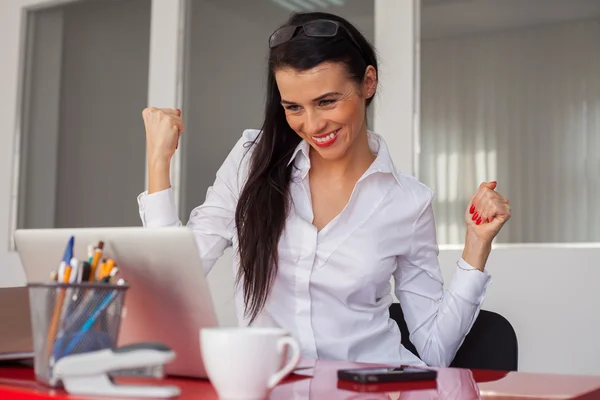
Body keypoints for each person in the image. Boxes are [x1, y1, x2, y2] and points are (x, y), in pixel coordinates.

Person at [137, 12, 511, 367]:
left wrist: (477, 246)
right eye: (294, 107)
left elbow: (433, 351)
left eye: (327, 101)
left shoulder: (408, 202)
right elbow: (168, 282)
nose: (313, 124)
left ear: (368, 82)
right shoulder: (252, 163)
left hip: (371, 388)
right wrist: (158, 161)